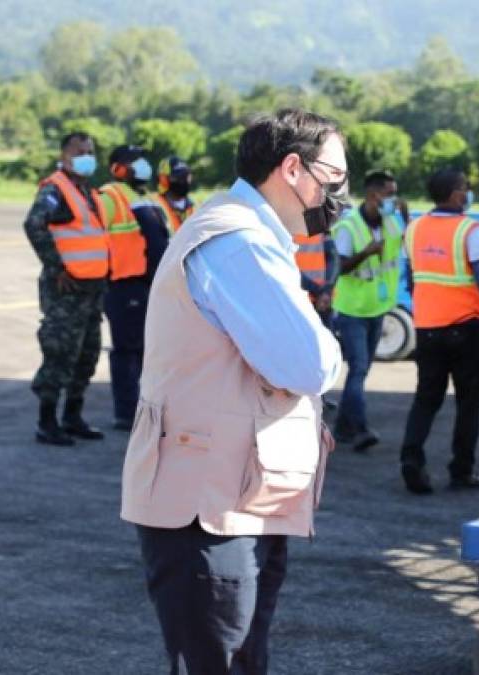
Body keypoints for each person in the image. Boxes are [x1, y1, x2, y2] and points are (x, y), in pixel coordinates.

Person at [121, 108, 345, 675]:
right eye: (333, 178)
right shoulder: (239, 242)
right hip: (208, 506)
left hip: (235, 496)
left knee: (240, 660)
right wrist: (327, 346)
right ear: (293, 169)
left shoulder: (244, 232)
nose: (336, 194)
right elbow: (309, 365)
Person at [399, 168, 479, 494]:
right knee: (468, 404)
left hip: (427, 327)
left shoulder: (414, 229)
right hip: (464, 328)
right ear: (457, 193)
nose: (468, 192)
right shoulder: (471, 230)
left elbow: (410, 277)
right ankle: (461, 470)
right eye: (466, 188)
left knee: (426, 399)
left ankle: (411, 460)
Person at [23, 132, 109, 446]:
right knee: (60, 354)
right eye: (80, 151)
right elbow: (34, 224)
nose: (87, 156)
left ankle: (73, 416)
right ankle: (47, 421)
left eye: (90, 151)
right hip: (66, 292)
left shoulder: (87, 192)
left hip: (91, 290)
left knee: (86, 356)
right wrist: (56, 266)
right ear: (64, 155)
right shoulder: (55, 190)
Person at [330, 170, 403, 451]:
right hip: (352, 310)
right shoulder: (349, 227)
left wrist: (404, 216)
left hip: (378, 307)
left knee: (362, 370)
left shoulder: (390, 222)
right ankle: (359, 429)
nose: (393, 200)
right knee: (359, 368)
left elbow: (401, 246)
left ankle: (343, 428)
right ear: (374, 196)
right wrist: (367, 253)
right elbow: (341, 267)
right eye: (389, 194)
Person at [99, 145, 171, 430]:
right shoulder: (110, 196)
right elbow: (96, 237)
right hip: (124, 284)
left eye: (143, 159)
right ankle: (126, 413)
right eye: (133, 161)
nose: (141, 165)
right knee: (127, 350)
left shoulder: (148, 199)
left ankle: (144, 409)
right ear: (117, 168)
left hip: (149, 286)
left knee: (146, 350)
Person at [153, 156, 196, 236]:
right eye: (178, 177)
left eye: (186, 176)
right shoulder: (155, 206)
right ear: (164, 180)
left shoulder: (194, 207)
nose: (184, 180)